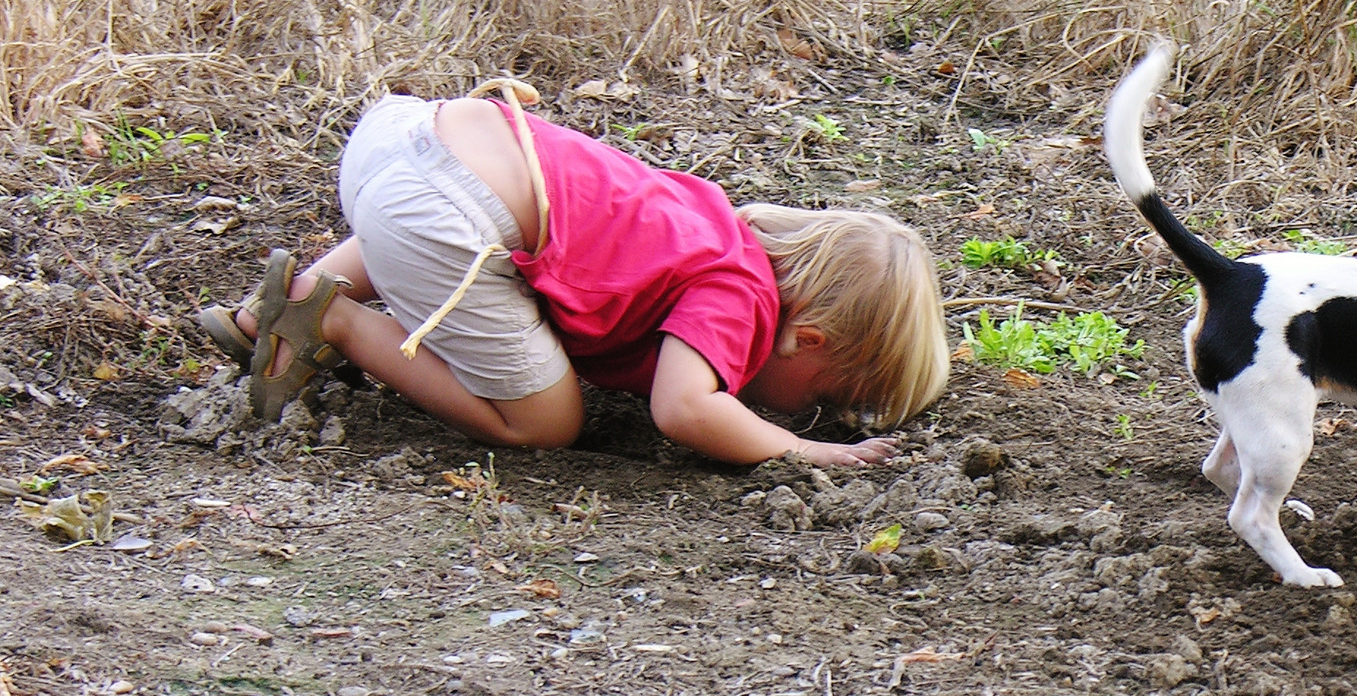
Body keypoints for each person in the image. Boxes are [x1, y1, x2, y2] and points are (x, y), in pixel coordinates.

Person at [194, 83, 948, 467]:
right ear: (806, 340)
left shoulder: (708, 223)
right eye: (823, 398)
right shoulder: (742, 297)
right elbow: (684, 410)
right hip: (439, 208)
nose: (803, 416)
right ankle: (338, 321)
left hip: (403, 138)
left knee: (484, 235)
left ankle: (272, 312)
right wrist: (808, 452)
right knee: (546, 422)